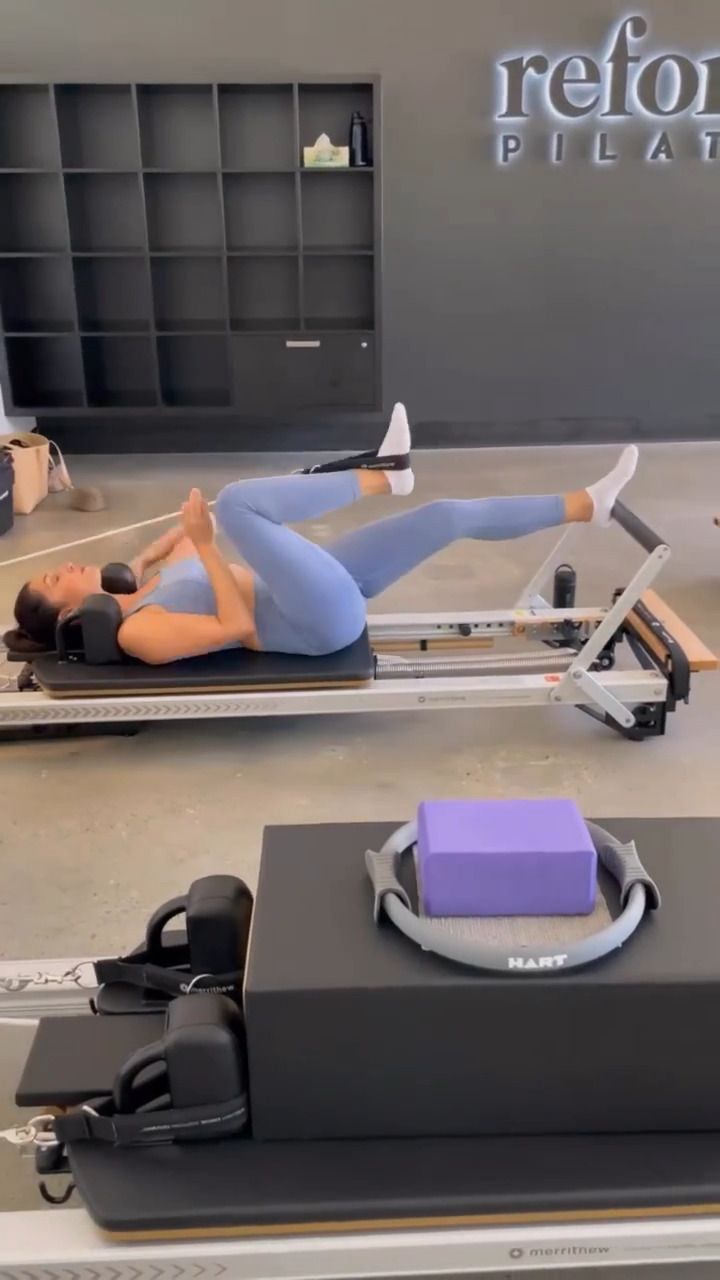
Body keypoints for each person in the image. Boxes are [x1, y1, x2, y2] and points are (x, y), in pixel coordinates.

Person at [4, 406, 638, 665]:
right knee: (239, 503)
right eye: (57, 579)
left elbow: (171, 555)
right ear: (67, 614)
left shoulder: (139, 591)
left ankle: (589, 504)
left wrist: (153, 554)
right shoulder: (137, 634)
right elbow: (233, 626)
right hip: (312, 623)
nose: (69, 566)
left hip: (309, 588)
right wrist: (206, 544)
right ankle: (383, 476)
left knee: (446, 515)